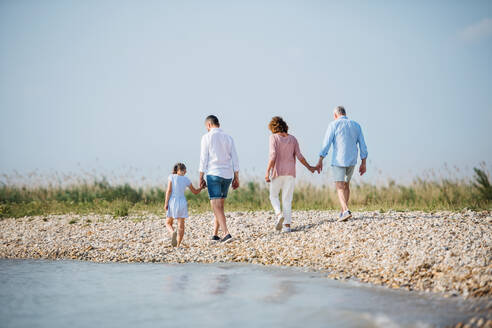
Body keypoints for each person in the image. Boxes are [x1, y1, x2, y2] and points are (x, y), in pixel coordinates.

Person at [265, 116, 316, 233]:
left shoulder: (273, 138)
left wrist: (267, 172)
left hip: (277, 172)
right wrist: (310, 167)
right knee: (287, 199)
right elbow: (300, 157)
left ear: (272, 127)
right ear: (284, 126)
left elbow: (272, 156)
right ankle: (287, 226)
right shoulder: (293, 139)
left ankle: (279, 215)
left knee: (273, 196)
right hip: (290, 173)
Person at [316, 106, 368, 221]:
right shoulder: (356, 125)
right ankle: (342, 212)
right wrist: (363, 163)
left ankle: (345, 210)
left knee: (339, 186)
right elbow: (363, 145)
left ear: (335, 115)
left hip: (339, 161)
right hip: (352, 160)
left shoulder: (333, 125)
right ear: (345, 113)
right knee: (346, 185)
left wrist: (320, 159)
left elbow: (326, 144)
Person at [199, 115, 240, 243]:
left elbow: (203, 158)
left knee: (215, 205)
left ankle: (226, 233)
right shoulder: (229, 138)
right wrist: (236, 177)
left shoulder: (206, 137)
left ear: (209, 125)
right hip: (227, 175)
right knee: (220, 206)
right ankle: (215, 234)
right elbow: (235, 158)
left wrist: (200, 176)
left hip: (214, 174)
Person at [164, 163, 203, 247]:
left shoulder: (171, 177)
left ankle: (172, 232)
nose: (186, 171)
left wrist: (166, 203)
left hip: (173, 201)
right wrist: (201, 188)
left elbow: (169, 190)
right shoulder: (186, 179)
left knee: (168, 223)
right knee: (181, 225)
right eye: (185, 170)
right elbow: (195, 192)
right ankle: (177, 245)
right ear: (183, 170)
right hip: (182, 201)